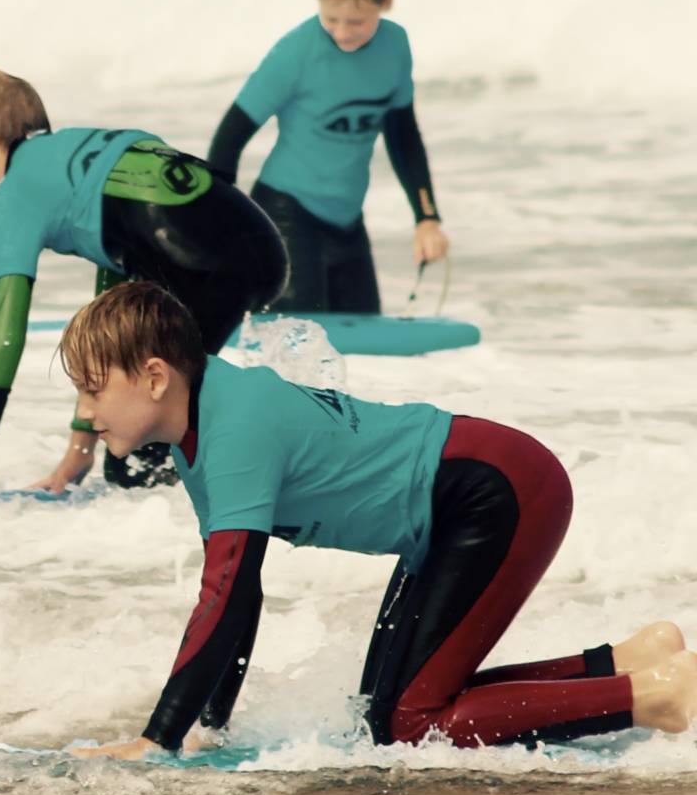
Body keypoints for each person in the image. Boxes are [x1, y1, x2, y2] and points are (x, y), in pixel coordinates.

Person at [58, 281, 693, 759]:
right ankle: (624, 664)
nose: (85, 413)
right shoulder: (197, 435)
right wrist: (210, 730)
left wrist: (156, 741)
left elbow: (221, 597)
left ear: (154, 377)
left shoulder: (233, 432)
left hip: (493, 491)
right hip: (453, 507)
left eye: (93, 389)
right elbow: (239, 597)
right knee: (383, 719)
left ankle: (654, 696)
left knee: (409, 726)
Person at [0, 69, 286, 501]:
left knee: (135, 463)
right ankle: (262, 458)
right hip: (259, 248)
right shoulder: (83, 161)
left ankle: (244, 490)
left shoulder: (13, 194)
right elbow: (111, 329)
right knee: (162, 415)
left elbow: (4, 333)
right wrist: (80, 449)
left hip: (202, 262)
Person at [208, 0, 447, 313]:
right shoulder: (296, 52)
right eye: (331, 17)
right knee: (296, 345)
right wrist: (220, 222)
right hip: (285, 216)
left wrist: (427, 218)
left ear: (385, 1)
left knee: (364, 345)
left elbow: (403, 136)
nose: (341, 32)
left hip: (347, 222)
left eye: (356, 22)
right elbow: (230, 137)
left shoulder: (395, 47)